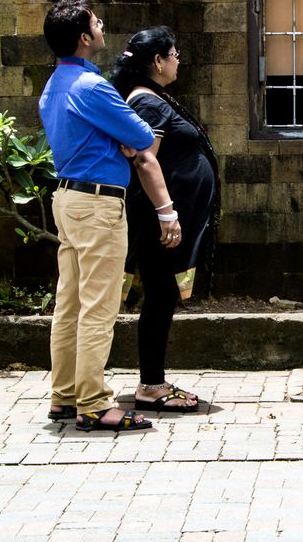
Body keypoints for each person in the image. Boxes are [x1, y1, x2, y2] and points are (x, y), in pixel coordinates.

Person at [39, 0, 175, 433]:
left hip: (67, 197)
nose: (102, 28)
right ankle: (95, 404)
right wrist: (123, 139)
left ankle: (64, 396)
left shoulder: (54, 85)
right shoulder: (91, 87)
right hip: (98, 203)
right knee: (98, 308)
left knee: (70, 304)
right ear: (84, 37)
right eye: (97, 24)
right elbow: (139, 133)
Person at [111, 27, 220, 411]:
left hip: (165, 216)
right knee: (160, 295)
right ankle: (151, 386)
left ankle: (153, 381)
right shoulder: (149, 104)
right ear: (157, 61)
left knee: (162, 295)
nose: (178, 60)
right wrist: (167, 214)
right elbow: (144, 157)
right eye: (174, 53)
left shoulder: (152, 98)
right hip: (160, 219)